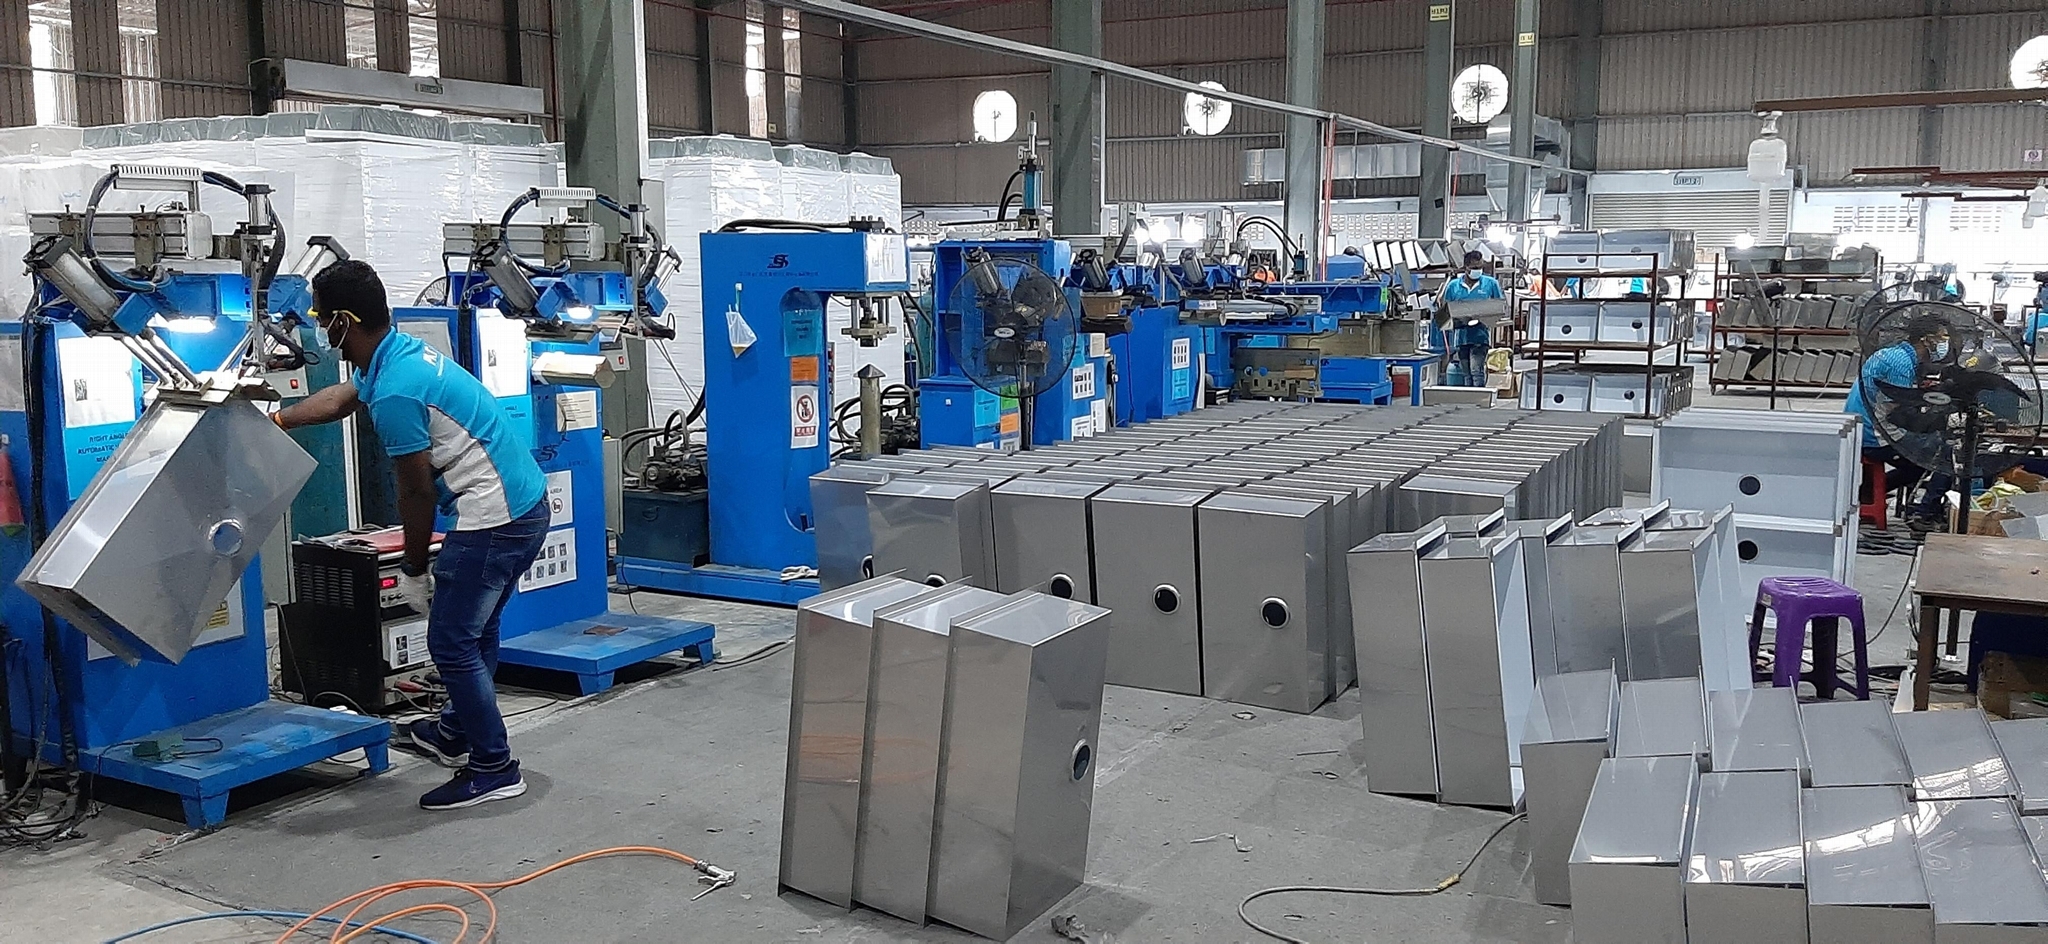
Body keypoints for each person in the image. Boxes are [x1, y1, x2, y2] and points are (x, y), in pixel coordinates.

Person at [275, 260, 550, 811]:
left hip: (495, 520)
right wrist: (277, 421)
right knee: (474, 632)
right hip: (523, 506)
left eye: (321, 320)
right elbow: (341, 398)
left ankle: (494, 767)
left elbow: (416, 493)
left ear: (344, 321)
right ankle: (453, 733)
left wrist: (415, 566)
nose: (320, 330)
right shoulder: (393, 356)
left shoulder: (397, 391)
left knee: (451, 642)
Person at [1845, 312, 1950, 524]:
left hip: (1862, 425)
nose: (1944, 344)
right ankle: (1924, 512)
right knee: (1944, 454)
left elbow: (1891, 397)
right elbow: (1900, 412)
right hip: (1874, 435)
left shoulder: (1893, 354)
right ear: (1926, 340)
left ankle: (1868, 493)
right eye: (1942, 338)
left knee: (1925, 455)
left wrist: (1921, 391)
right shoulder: (1900, 363)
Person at [1439, 251, 1504, 386]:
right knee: (1466, 374)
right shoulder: (1453, 286)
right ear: (1466, 267)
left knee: (1476, 371)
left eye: (1480, 267)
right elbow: (1445, 312)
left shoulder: (1491, 284)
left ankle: (1480, 397)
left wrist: (1485, 317)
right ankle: (1470, 397)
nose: (1478, 270)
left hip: (1480, 336)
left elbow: (1500, 307)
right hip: (1461, 338)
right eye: (1474, 267)